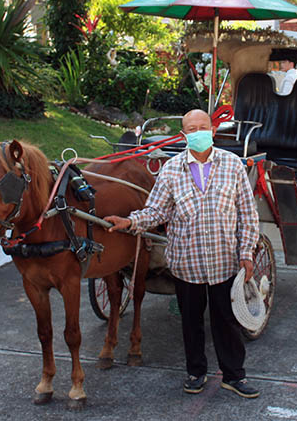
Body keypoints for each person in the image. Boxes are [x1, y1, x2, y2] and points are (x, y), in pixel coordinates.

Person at [104, 109, 261, 399]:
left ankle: (234, 376)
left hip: (224, 261)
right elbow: (157, 211)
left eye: (203, 127)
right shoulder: (172, 169)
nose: (198, 133)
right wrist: (129, 222)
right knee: (190, 321)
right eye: (192, 129)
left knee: (226, 320)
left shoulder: (232, 165)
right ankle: (195, 372)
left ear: (213, 131)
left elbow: (248, 215)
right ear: (185, 135)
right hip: (186, 262)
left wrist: (247, 254)